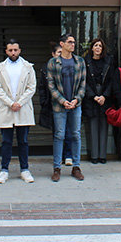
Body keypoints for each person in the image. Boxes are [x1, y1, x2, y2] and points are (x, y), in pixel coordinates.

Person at [0, 39, 36, 183]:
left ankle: (25, 169)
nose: (13, 52)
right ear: (6, 51)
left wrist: (19, 103)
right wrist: (11, 103)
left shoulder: (28, 67)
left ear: (20, 50)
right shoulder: (0, 67)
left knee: (23, 141)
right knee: (6, 141)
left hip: (23, 109)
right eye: (10, 50)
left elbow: (32, 87)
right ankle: (4, 170)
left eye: (15, 50)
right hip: (6, 108)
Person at [47, 33, 86, 182]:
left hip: (76, 105)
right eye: (70, 42)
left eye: (74, 42)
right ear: (62, 44)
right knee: (59, 135)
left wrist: (76, 99)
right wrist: (63, 101)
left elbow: (83, 83)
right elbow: (51, 85)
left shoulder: (80, 62)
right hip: (59, 106)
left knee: (76, 134)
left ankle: (76, 166)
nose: (73, 45)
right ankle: (57, 167)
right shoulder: (53, 63)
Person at [83, 38, 113, 164]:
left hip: (104, 98)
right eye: (96, 45)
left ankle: (103, 155)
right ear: (92, 48)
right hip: (91, 99)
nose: (98, 48)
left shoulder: (108, 61)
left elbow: (112, 81)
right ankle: (94, 155)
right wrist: (93, 96)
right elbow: (84, 81)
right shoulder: (86, 62)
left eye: (100, 46)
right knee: (93, 127)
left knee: (104, 128)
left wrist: (104, 96)